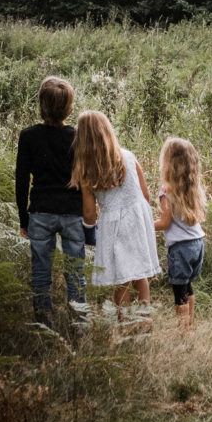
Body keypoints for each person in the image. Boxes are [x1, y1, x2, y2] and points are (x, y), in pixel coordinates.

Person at [70, 111, 160, 321]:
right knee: (140, 274)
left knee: (121, 280)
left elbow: (89, 213)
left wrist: (88, 231)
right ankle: (145, 320)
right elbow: (145, 194)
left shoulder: (86, 171)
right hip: (138, 218)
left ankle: (125, 325)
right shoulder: (127, 156)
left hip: (114, 225)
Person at [15, 76, 85, 327]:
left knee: (41, 274)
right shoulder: (77, 136)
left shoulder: (28, 136)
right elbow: (85, 179)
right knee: (75, 274)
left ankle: (46, 329)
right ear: (69, 107)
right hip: (72, 212)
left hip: (41, 211)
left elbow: (21, 181)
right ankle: (79, 326)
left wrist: (24, 219)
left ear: (41, 104)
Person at [153, 137, 206, 332]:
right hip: (198, 244)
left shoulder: (166, 192)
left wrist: (144, 225)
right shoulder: (192, 187)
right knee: (188, 287)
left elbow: (165, 222)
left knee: (179, 292)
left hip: (181, 248)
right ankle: (189, 326)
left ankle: (183, 332)